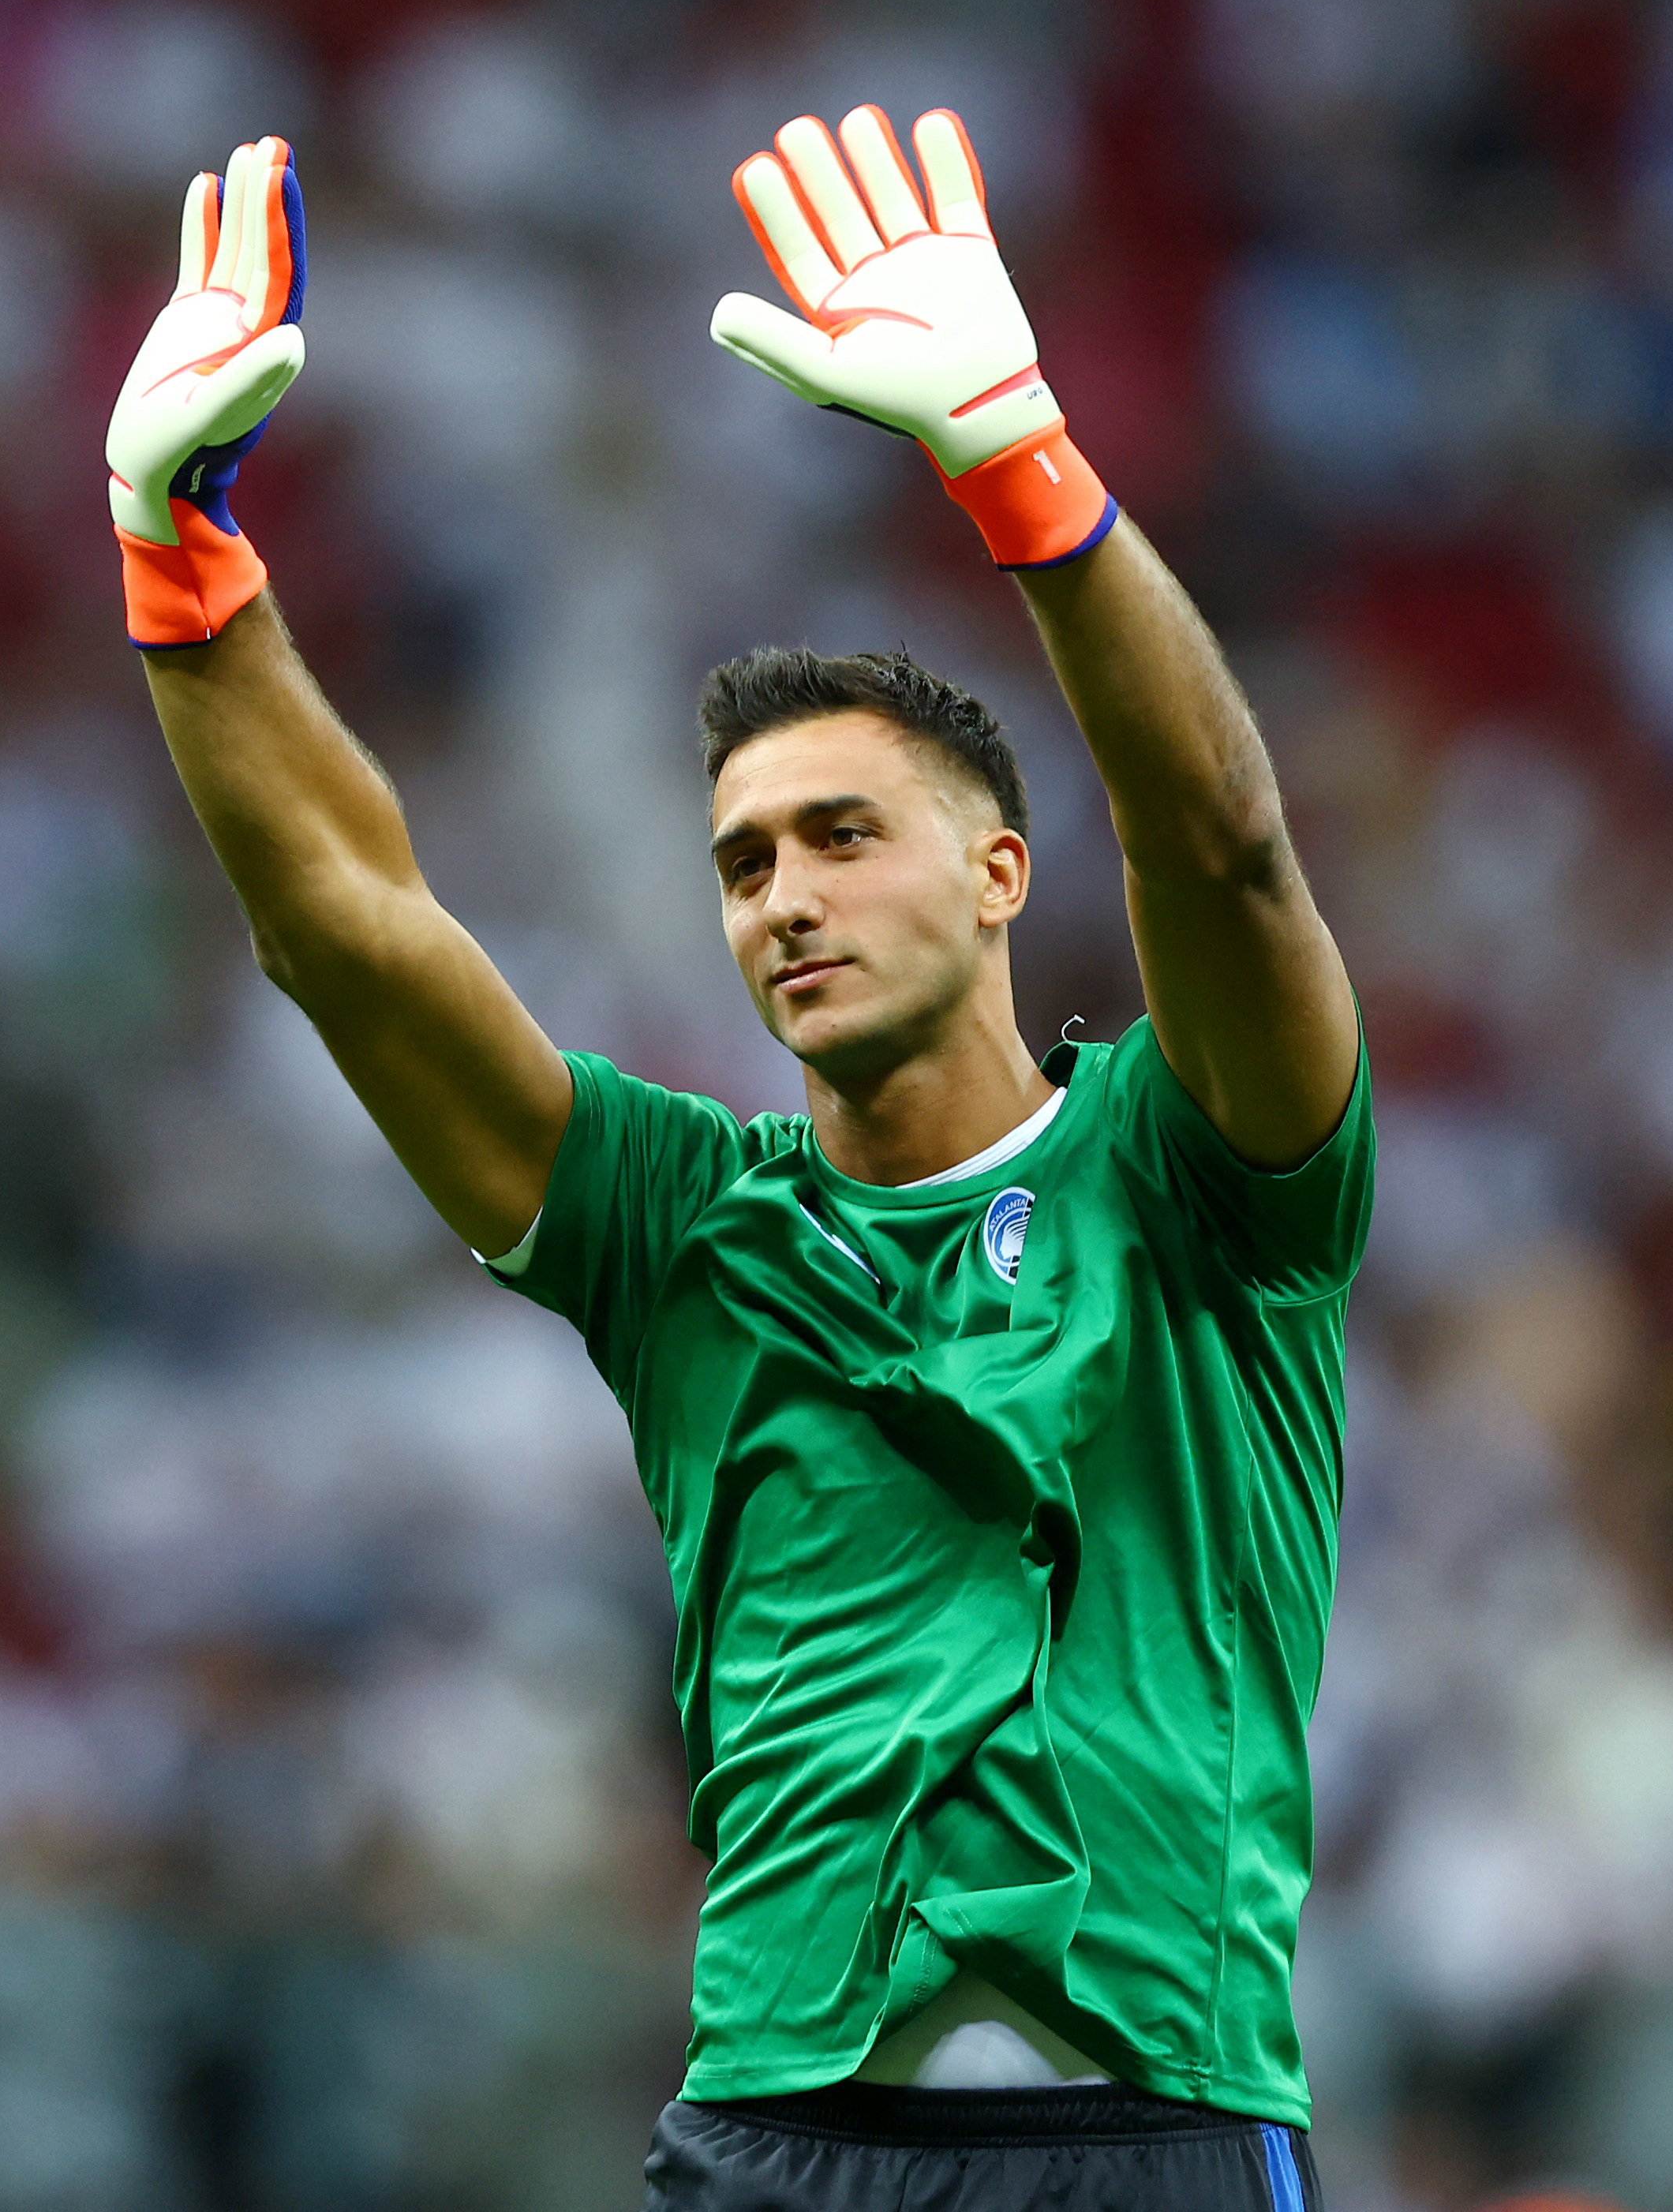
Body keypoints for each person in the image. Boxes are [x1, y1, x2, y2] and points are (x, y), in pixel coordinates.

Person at [107, 107, 1369, 2212]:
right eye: (742, 862)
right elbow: (349, 929)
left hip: (1148, 2134)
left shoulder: (1205, 1177)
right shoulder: (684, 1231)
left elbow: (1228, 852)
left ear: (997, 872)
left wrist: (1022, 472)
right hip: (771, 2146)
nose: (781, 895)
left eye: (841, 837)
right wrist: (178, 563)